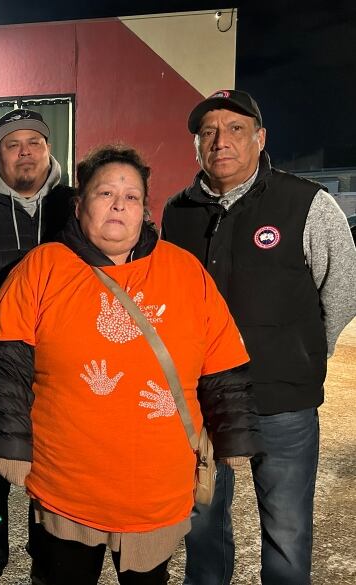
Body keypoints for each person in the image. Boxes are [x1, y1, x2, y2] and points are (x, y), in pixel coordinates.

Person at [0, 145, 262, 585]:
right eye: (105, 193)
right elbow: (2, 364)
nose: (118, 205)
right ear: (79, 204)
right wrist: (9, 445)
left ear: (145, 210)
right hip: (67, 483)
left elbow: (224, 365)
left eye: (131, 196)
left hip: (155, 487)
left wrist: (235, 435)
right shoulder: (42, 267)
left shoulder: (185, 272)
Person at [162, 90, 356, 585]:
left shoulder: (307, 204)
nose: (220, 141)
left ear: (260, 138)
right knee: (201, 525)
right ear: (196, 147)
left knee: (287, 533)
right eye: (207, 132)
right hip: (203, 404)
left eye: (235, 129)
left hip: (283, 403)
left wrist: (305, 352)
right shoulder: (177, 212)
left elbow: (342, 288)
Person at [0, 108, 74, 585]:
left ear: (49, 149)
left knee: (52, 488)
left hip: (62, 379)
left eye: (35, 142)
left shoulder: (75, 205)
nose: (25, 152)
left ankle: (47, 570)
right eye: (13, 143)